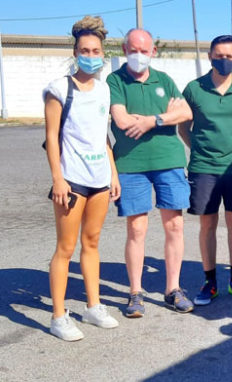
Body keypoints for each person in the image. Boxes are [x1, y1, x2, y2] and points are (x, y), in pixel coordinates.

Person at [107, 28, 194, 317]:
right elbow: (120, 119)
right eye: (133, 49)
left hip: (168, 161)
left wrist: (152, 120)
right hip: (131, 165)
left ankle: (173, 289)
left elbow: (185, 114)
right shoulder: (115, 80)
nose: (139, 55)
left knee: (175, 226)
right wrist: (166, 118)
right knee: (137, 228)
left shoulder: (164, 80)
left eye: (145, 50)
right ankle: (135, 292)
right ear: (123, 49)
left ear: (153, 52)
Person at [44, 15, 120, 341]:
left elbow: (102, 137)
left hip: (100, 178)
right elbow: (51, 138)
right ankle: (59, 316)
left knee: (92, 243)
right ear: (75, 52)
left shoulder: (104, 90)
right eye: (85, 50)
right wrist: (58, 180)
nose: (91, 55)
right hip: (72, 180)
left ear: (103, 53)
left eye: (96, 50)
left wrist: (113, 173)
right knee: (66, 247)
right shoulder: (59, 89)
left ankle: (93, 306)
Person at [178, 35, 232, 306]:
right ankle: (209, 281)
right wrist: (200, 150)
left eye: (229, 56)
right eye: (219, 55)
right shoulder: (194, 89)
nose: (224, 60)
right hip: (204, 169)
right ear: (210, 55)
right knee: (207, 224)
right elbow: (183, 127)